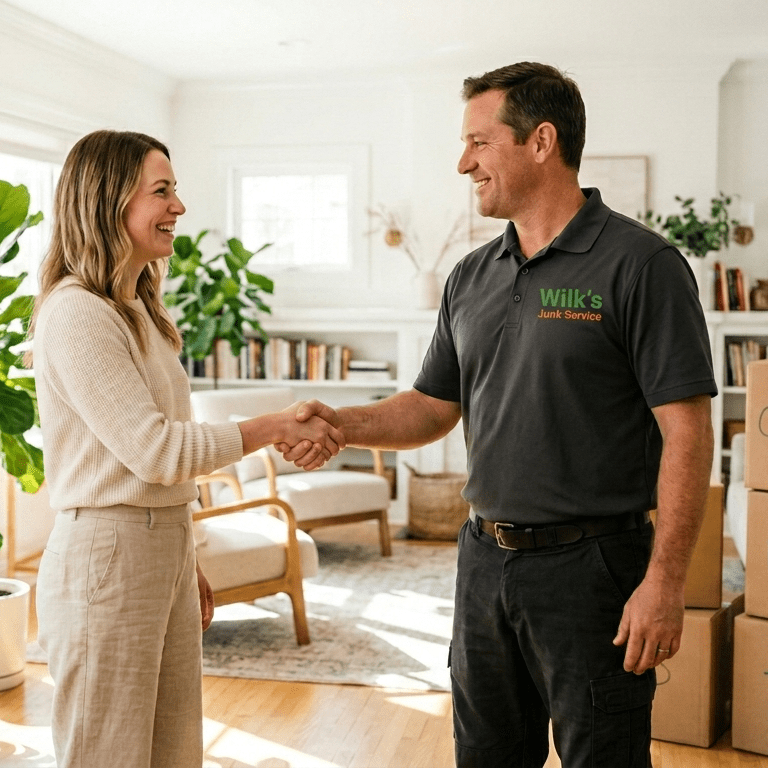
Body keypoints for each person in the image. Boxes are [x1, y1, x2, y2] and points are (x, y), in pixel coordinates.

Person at [280, 63, 716, 767]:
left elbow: (686, 433)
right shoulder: (470, 276)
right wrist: (342, 423)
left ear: (541, 141)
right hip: (483, 562)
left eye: (479, 143)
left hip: (593, 569)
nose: (464, 163)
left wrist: (665, 583)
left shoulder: (643, 265)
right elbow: (432, 407)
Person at [29, 129, 344, 768]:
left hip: (159, 545)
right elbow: (157, 451)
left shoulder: (138, 310)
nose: (179, 206)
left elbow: (160, 464)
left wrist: (184, 548)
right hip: (107, 554)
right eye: (162, 190)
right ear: (108, 200)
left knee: (175, 751)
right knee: (107, 755)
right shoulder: (77, 312)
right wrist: (274, 427)